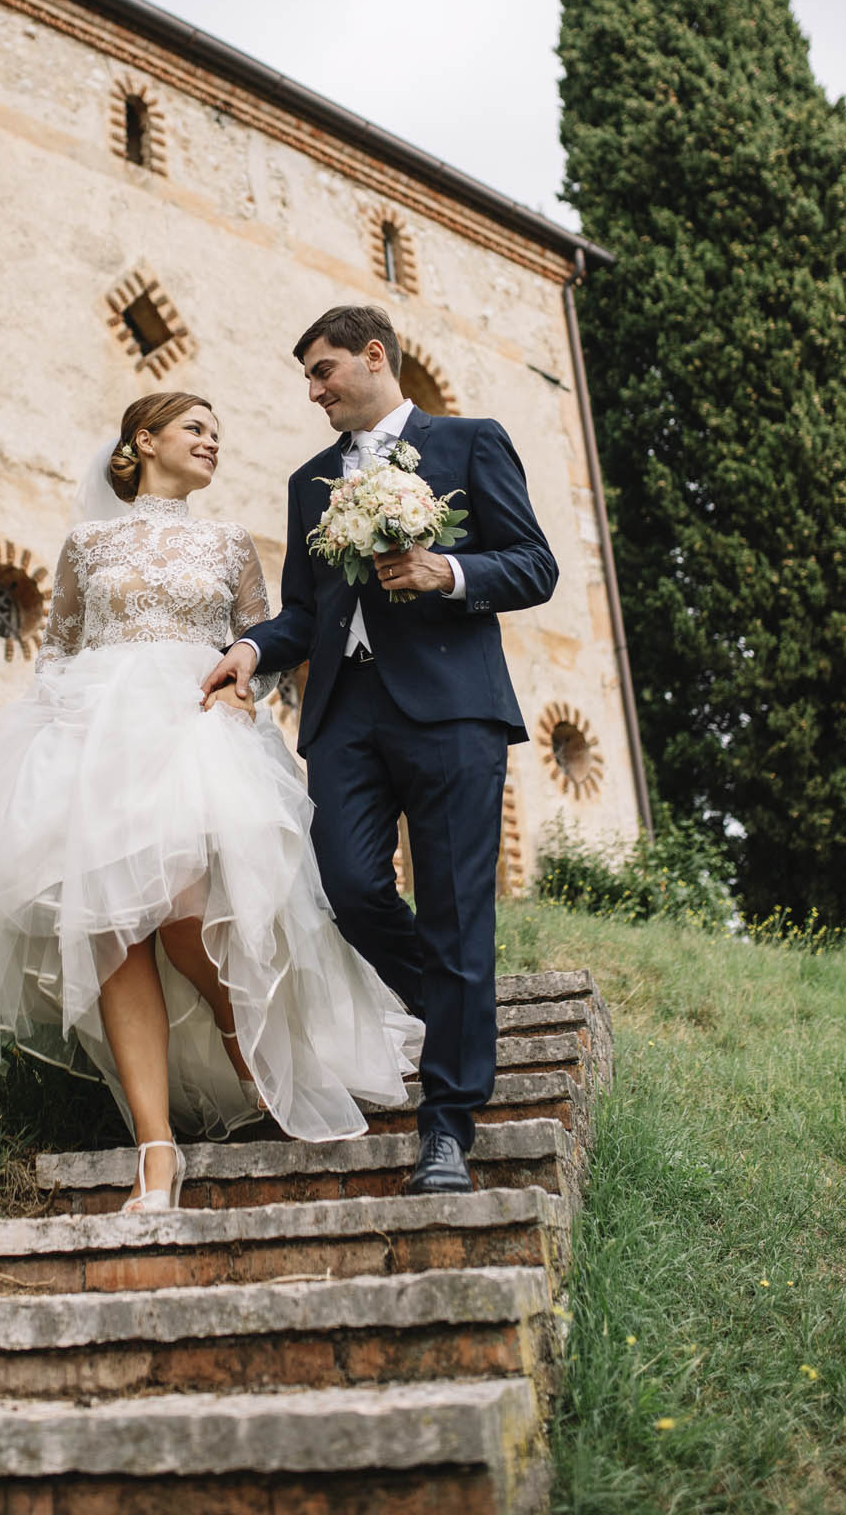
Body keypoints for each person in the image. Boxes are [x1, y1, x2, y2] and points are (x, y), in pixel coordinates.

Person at [0, 390, 421, 1212]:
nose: (212, 443)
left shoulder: (229, 544)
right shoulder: (85, 544)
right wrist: (45, 737)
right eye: (196, 429)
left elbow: (258, 642)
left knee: (183, 911)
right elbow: (57, 648)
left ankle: (247, 1043)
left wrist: (246, 689)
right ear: (143, 440)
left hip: (193, 729)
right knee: (111, 928)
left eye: (219, 434)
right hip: (99, 738)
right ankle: (155, 1151)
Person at [203, 307, 557, 1195]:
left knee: (452, 912)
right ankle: (454, 1011)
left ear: (373, 357)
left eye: (323, 372)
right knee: (348, 887)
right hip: (344, 716)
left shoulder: (471, 443)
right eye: (308, 380)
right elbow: (299, 609)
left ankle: (446, 1130)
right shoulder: (308, 480)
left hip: (450, 711)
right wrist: (249, 650)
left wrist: (450, 571)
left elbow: (533, 564)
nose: (314, 392)